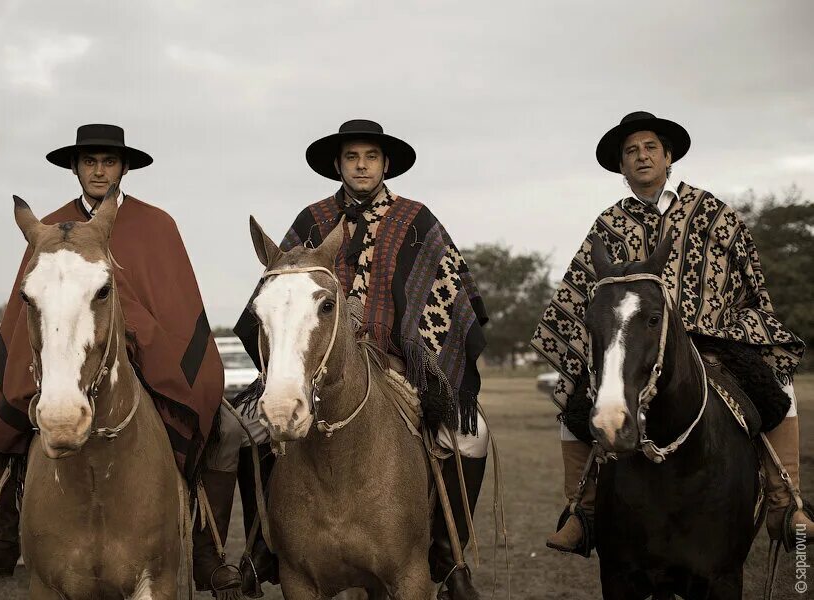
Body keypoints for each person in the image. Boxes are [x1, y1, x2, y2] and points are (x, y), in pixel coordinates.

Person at [0, 124, 239, 596]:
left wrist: (138, 329)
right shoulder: (48, 227)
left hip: (149, 357)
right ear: (76, 168)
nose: (99, 170)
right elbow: (32, 305)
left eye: (108, 161)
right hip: (61, 356)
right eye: (89, 162)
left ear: (124, 167)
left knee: (227, 431)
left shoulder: (155, 224)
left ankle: (208, 553)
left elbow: (176, 301)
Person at [224, 119, 490, 599]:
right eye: (352, 157)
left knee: (472, 435)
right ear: (338, 165)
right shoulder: (311, 219)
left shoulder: (416, 220)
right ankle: (264, 545)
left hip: (398, 368)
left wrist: (420, 364)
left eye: (370, 157)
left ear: (386, 164)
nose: (361, 165)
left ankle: (448, 557)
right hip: (313, 367)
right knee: (248, 430)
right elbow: (277, 289)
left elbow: (450, 294)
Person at [533, 111, 813, 555]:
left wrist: (725, 320)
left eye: (649, 148)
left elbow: (747, 281)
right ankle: (582, 510)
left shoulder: (713, 213)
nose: (641, 157)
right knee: (573, 393)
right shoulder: (606, 226)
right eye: (631, 152)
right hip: (633, 347)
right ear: (621, 168)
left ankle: (786, 503)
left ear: (668, 157)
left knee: (778, 380)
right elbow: (582, 294)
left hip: (712, 339)